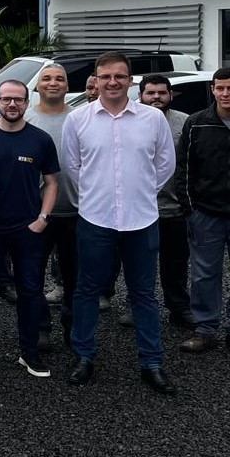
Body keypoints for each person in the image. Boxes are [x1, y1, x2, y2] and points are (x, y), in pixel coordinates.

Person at [62, 52, 177, 394]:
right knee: (87, 290)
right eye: (106, 76)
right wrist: (98, 194)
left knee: (143, 294)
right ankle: (84, 356)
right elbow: (72, 166)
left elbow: (165, 164)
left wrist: (139, 191)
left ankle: (151, 362)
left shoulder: (152, 119)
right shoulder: (78, 119)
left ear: (130, 80)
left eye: (120, 76)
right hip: (95, 219)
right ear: (95, 80)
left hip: (141, 219)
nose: (112, 82)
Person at [0, 80, 58, 378]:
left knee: (30, 291)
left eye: (18, 99)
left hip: (27, 230)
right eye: (6, 98)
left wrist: (43, 218)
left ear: (27, 103)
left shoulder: (40, 139)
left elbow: (52, 182)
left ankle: (29, 353)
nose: (12, 104)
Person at [124, 75, 193, 330]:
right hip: (139, 209)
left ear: (170, 95)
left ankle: (179, 308)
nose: (156, 97)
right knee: (138, 264)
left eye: (162, 93)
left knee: (176, 263)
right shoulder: (129, 121)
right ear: (140, 95)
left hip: (174, 208)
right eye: (150, 93)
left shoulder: (184, 122)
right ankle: (136, 306)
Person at [26, 64, 80, 348]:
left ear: (67, 86)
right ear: (37, 86)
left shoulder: (81, 117)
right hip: (35, 213)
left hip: (77, 210)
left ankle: (73, 326)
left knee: (75, 277)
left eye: (60, 78)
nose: (53, 83)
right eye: (46, 78)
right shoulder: (25, 118)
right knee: (32, 275)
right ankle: (40, 327)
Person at [177, 67, 230, 353]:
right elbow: (184, 169)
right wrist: (190, 209)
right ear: (212, 89)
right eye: (220, 88)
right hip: (206, 213)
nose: (225, 93)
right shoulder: (197, 123)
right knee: (204, 274)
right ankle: (206, 329)